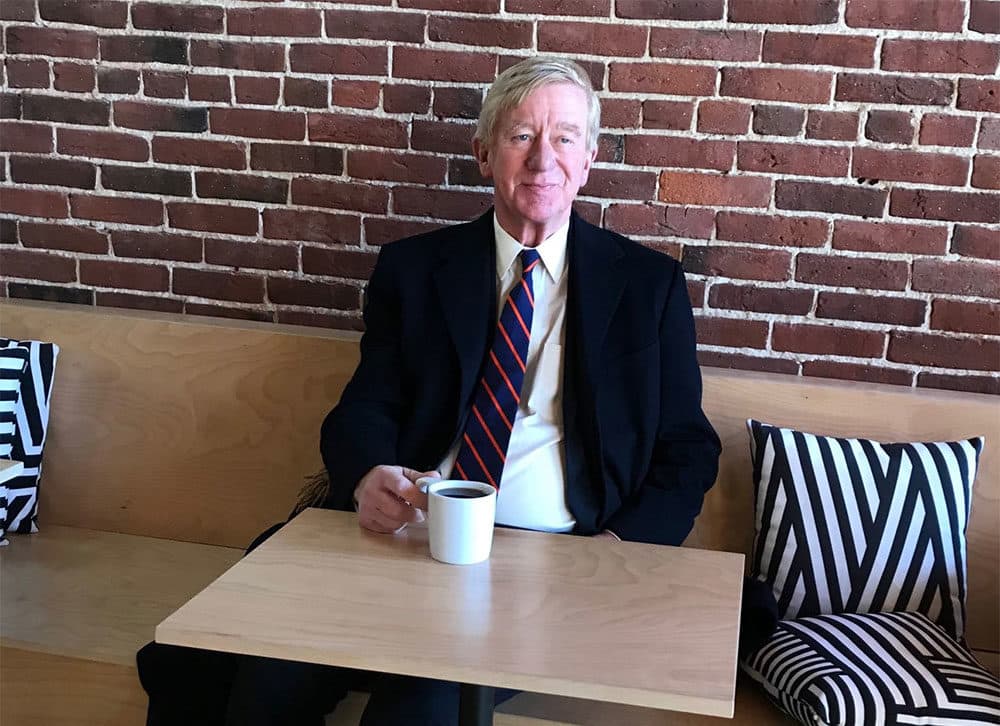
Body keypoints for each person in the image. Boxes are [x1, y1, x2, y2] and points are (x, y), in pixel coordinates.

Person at [138, 55, 721, 726]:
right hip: (405, 542)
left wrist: (618, 552)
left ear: (588, 159)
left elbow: (686, 447)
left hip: (552, 567)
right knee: (264, 679)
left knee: (414, 714)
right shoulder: (414, 270)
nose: (542, 159)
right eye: (521, 135)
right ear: (483, 153)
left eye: (563, 137)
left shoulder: (649, 289)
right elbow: (366, 405)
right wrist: (365, 477)